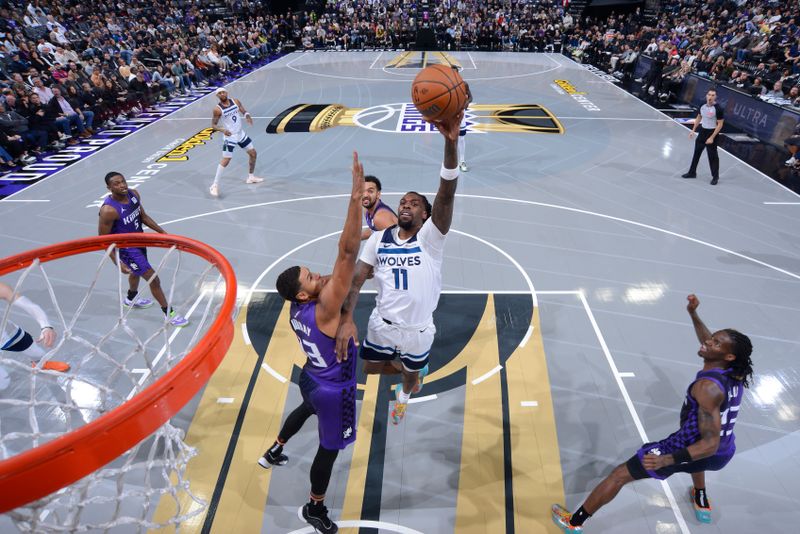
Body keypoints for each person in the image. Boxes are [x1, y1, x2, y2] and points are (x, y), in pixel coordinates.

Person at [551, 294, 753, 532]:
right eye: (712, 338)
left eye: (716, 343)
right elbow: (710, 343)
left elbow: (708, 443)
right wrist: (693, 314)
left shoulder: (707, 387)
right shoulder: (736, 369)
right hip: (724, 451)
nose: (708, 342)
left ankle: (574, 522)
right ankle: (700, 498)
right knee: (697, 458)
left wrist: (667, 459)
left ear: (728, 356)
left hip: (694, 447)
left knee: (619, 475)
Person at [335, 108, 465, 425]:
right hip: (382, 324)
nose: (406, 205)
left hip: (418, 330)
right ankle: (401, 361)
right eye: (403, 202)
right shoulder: (379, 239)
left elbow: (446, 194)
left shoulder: (432, 239)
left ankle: (404, 396)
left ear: (426, 214)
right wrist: (347, 318)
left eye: (414, 203)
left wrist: (450, 145)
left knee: (409, 376)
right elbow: (356, 281)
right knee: (370, 368)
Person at [259, 152, 365, 534]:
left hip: (311, 376)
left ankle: (276, 446)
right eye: (309, 277)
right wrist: (355, 200)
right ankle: (314, 507)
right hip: (334, 389)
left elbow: (341, 267)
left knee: (306, 407)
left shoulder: (296, 311)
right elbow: (347, 253)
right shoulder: (324, 308)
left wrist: (347, 318)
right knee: (330, 450)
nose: (316, 274)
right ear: (302, 295)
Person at [98, 172, 188, 327]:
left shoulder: (134, 194)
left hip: (139, 240)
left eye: (123, 181)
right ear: (109, 188)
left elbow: (144, 217)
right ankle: (169, 314)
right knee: (154, 278)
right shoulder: (108, 210)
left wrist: (164, 234)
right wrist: (116, 260)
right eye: (117, 184)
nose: (122, 185)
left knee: (136, 271)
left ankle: (131, 298)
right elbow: (102, 239)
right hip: (126, 248)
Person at [1, 281, 70, 384]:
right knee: (4, 382)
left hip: (4, 330)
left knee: (36, 352)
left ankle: (41, 365)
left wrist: (46, 326)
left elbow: (28, 305)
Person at [208, 86, 262, 197]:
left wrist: (247, 115)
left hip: (240, 134)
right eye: (220, 93)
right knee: (226, 159)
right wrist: (222, 130)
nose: (222, 94)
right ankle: (214, 185)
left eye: (223, 92)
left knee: (253, 153)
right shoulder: (217, 109)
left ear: (227, 93)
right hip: (230, 136)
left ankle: (251, 177)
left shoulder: (235, 101)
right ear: (217, 96)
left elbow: (242, 109)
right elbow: (213, 125)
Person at [682, 88, 724, 185]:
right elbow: (699, 117)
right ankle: (692, 172)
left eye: (713, 95)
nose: (710, 97)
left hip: (712, 133)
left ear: (715, 97)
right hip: (702, 132)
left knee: (712, 156)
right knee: (696, 153)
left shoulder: (718, 108)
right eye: (709, 95)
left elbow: (720, 124)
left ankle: (715, 177)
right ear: (706, 95)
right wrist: (693, 130)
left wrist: (712, 137)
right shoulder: (702, 105)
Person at [361, 175, 397, 240]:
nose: (365, 195)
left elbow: (397, 245)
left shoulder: (380, 217)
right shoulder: (367, 209)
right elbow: (373, 230)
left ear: (378, 194)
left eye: (370, 191)